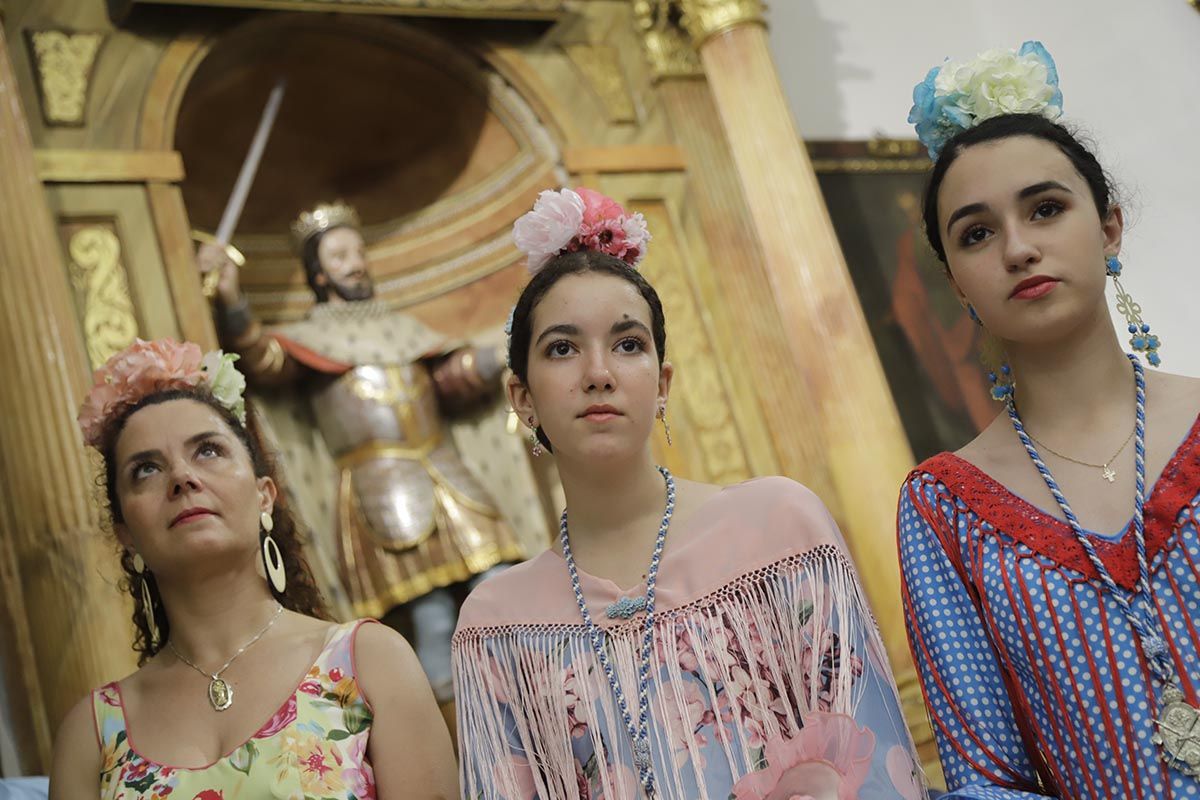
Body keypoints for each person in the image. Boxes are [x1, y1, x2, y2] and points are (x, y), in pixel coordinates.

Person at [451, 187, 927, 799]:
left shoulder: (777, 527)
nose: (599, 372)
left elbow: (872, 760)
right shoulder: (496, 625)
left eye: (628, 344)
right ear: (523, 399)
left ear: (662, 383)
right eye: (562, 348)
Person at [898, 42, 1200, 798]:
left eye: (1045, 208)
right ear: (957, 284)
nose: (1020, 248)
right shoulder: (946, 508)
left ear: (1108, 228)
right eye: (977, 233)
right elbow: (987, 779)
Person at [48, 339, 458, 798]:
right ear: (126, 533)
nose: (183, 477)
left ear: (265, 495)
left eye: (207, 450)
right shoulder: (91, 735)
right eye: (146, 469)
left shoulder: (369, 661)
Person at [196, 201, 541, 708]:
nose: (356, 263)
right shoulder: (312, 341)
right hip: (382, 485)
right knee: (429, 616)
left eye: (358, 252)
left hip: (448, 469)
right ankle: (450, 731)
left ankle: (534, 689)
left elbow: (450, 379)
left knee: (501, 582)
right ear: (318, 272)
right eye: (340, 255)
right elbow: (263, 359)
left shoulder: (404, 329)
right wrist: (231, 301)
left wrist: (502, 350)